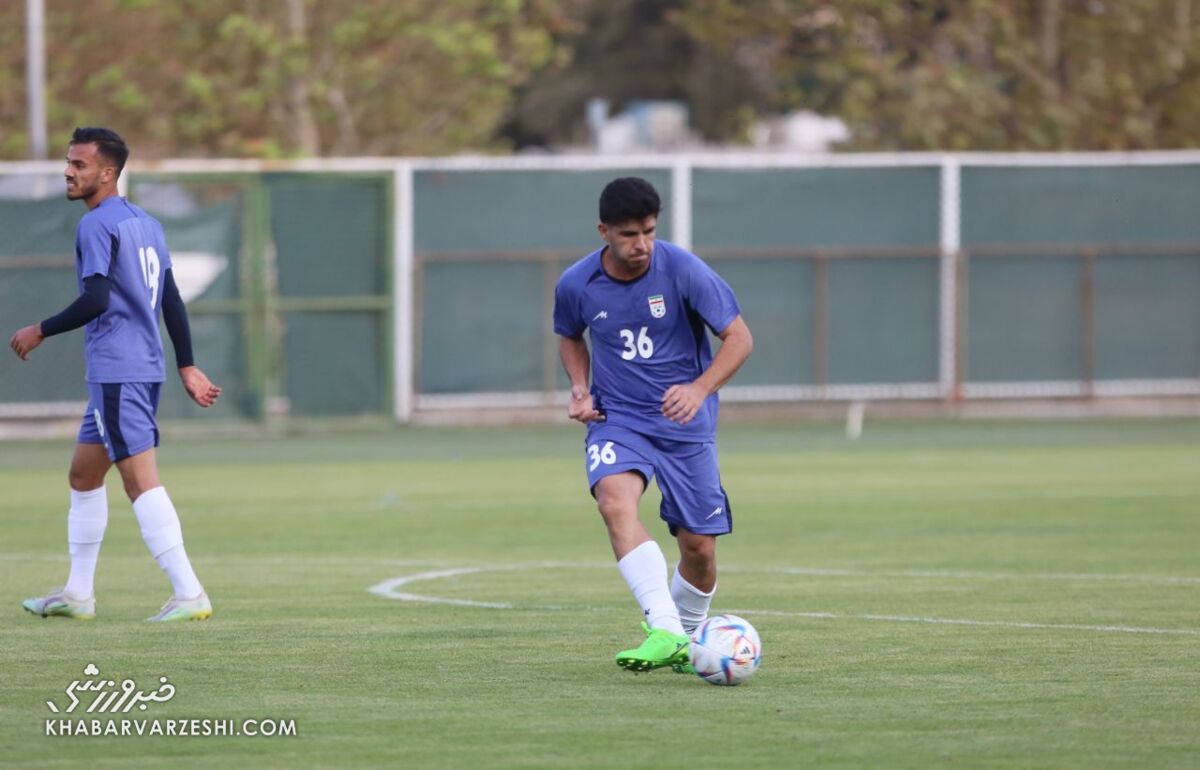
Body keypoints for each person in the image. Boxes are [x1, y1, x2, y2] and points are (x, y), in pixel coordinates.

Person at [10, 127, 222, 623]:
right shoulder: (145, 222)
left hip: (118, 370)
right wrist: (186, 363)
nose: (68, 171)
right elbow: (171, 299)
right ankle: (77, 594)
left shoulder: (96, 225)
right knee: (84, 475)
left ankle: (190, 592)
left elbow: (97, 299)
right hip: (139, 367)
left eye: (79, 165)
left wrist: (40, 329)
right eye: (68, 162)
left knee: (139, 481)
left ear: (108, 173)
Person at [553, 177, 753, 672]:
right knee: (613, 502)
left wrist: (699, 389)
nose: (641, 244)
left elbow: (740, 338)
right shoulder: (577, 284)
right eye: (628, 234)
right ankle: (664, 628)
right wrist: (579, 388)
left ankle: (684, 640)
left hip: (685, 426)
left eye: (648, 231)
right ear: (604, 231)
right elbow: (570, 334)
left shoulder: (683, 269)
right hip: (618, 419)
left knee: (699, 549)